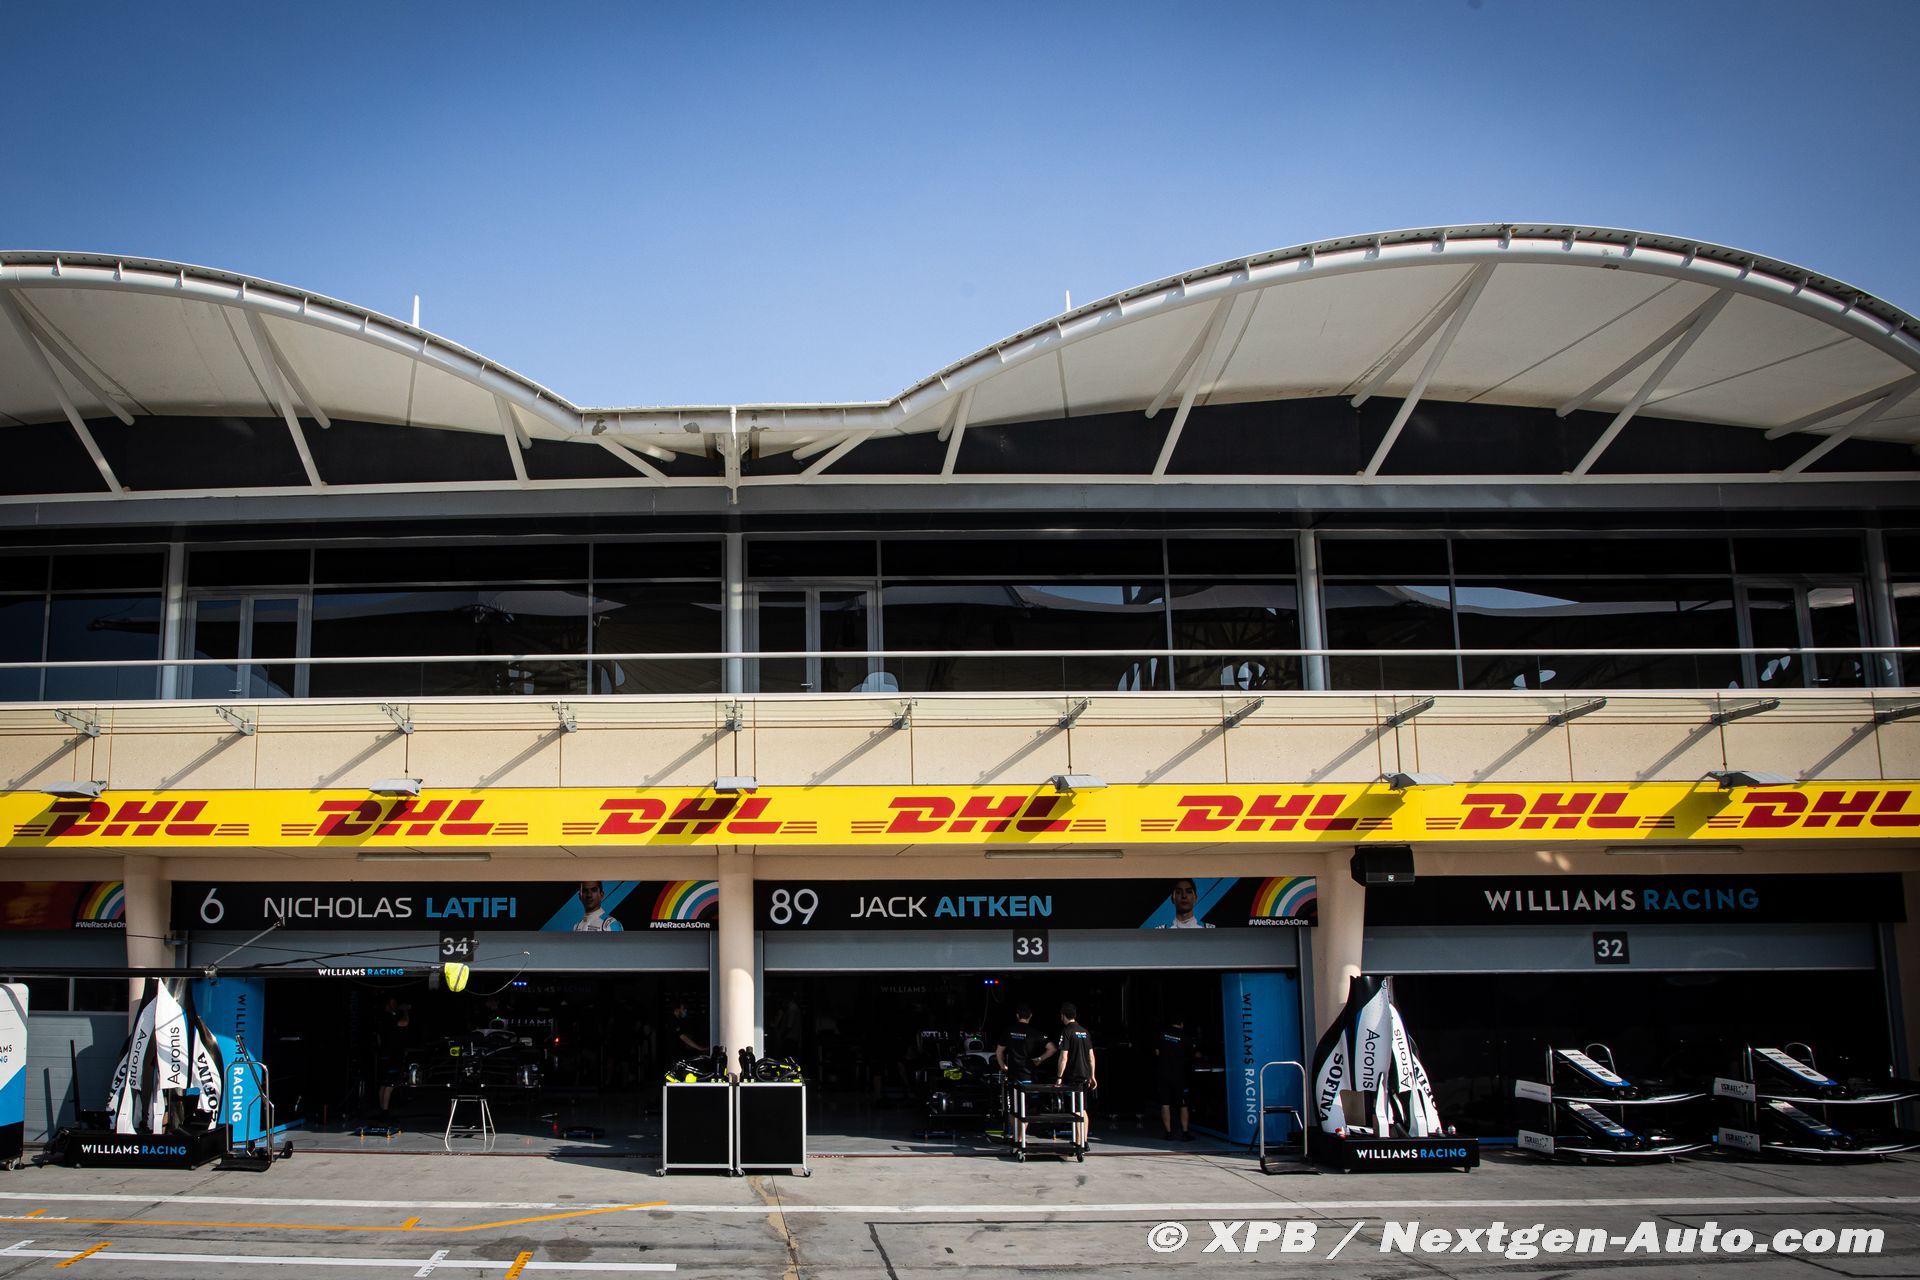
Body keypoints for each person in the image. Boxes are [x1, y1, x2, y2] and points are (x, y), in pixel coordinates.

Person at [994, 1002, 1056, 1145]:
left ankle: (1016, 1136)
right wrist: (1039, 1059)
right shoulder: (1034, 1032)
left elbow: (999, 1051)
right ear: (1030, 1016)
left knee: (1013, 1107)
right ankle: (1022, 1137)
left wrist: (1003, 1066)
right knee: (1025, 1108)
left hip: (1013, 1075)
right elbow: (1052, 1048)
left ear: (1017, 1015)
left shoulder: (1009, 1031)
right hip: (1028, 1074)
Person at [1054, 1002, 1097, 1151]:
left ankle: (1081, 1142)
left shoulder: (1066, 1032)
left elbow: (1064, 1056)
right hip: (1085, 1075)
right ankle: (1082, 1140)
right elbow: (1091, 1056)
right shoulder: (1085, 1032)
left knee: (1077, 1110)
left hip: (1074, 1076)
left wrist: (1059, 1077)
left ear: (1063, 1016)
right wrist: (1092, 1075)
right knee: (1082, 1108)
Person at [1154, 1014, 1198, 1140]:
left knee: (1165, 1103)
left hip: (1163, 1073)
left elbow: (1157, 1052)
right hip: (1179, 1074)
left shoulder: (1161, 1034)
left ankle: (1168, 1133)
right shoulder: (1185, 1036)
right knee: (1183, 1104)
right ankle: (1185, 1133)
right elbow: (1193, 1053)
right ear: (1181, 1024)